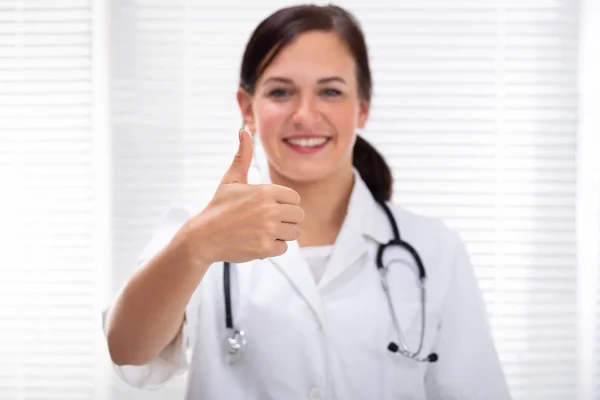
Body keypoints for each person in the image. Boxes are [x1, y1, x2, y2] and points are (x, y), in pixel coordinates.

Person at [103, 4, 512, 400]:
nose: (304, 114)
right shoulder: (198, 232)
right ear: (248, 109)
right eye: (281, 92)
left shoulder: (434, 248)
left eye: (330, 91)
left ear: (362, 109)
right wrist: (195, 247)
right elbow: (128, 351)